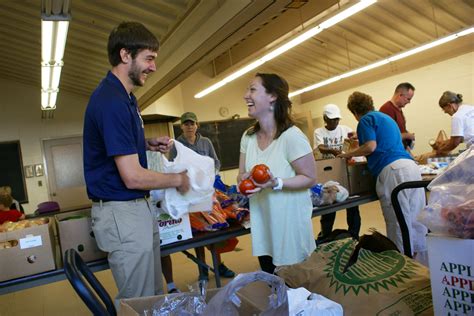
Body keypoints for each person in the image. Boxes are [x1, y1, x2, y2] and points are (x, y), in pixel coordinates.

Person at [83, 22, 190, 305]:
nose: (153, 67)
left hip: (135, 210)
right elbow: (132, 177)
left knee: (153, 296)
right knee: (139, 302)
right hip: (122, 212)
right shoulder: (111, 101)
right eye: (149, 58)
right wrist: (179, 179)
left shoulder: (126, 97)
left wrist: (145, 143)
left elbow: (114, 141)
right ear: (125, 55)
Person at [238, 73, 316, 274]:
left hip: (289, 229)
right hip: (264, 227)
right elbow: (241, 176)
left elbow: (309, 178)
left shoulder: (292, 137)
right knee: (273, 285)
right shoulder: (248, 137)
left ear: (272, 96)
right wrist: (244, 181)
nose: (246, 95)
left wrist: (277, 182)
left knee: (298, 289)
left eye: (252, 89)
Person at [338, 91, 428, 263]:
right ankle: (422, 265)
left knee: (398, 221)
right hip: (411, 168)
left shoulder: (365, 120)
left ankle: (401, 266)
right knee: (416, 218)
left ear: (355, 112)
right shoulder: (386, 119)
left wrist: (348, 154)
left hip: (393, 171)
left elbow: (371, 147)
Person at [166, 112, 235, 283]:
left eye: (192, 123)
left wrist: (212, 175)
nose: (189, 126)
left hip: (206, 193)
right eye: (186, 124)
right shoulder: (176, 145)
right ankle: (203, 269)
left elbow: (216, 162)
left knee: (215, 229)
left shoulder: (206, 142)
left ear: (197, 125)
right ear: (181, 126)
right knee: (198, 233)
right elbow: (172, 167)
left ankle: (219, 264)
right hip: (188, 195)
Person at [313, 104, 361, 242]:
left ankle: (354, 236)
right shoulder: (319, 132)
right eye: (331, 119)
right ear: (325, 118)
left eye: (337, 119)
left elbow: (354, 143)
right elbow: (321, 147)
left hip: (345, 172)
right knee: (329, 208)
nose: (335, 122)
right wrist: (335, 152)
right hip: (328, 173)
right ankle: (325, 236)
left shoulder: (345, 129)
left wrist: (354, 141)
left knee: (352, 206)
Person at [379, 82, 416, 150]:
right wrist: (407, 135)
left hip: (402, 150)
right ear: (400, 95)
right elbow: (387, 137)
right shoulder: (387, 109)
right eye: (408, 99)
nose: (409, 102)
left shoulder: (399, 110)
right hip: (393, 153)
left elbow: (399, 130)